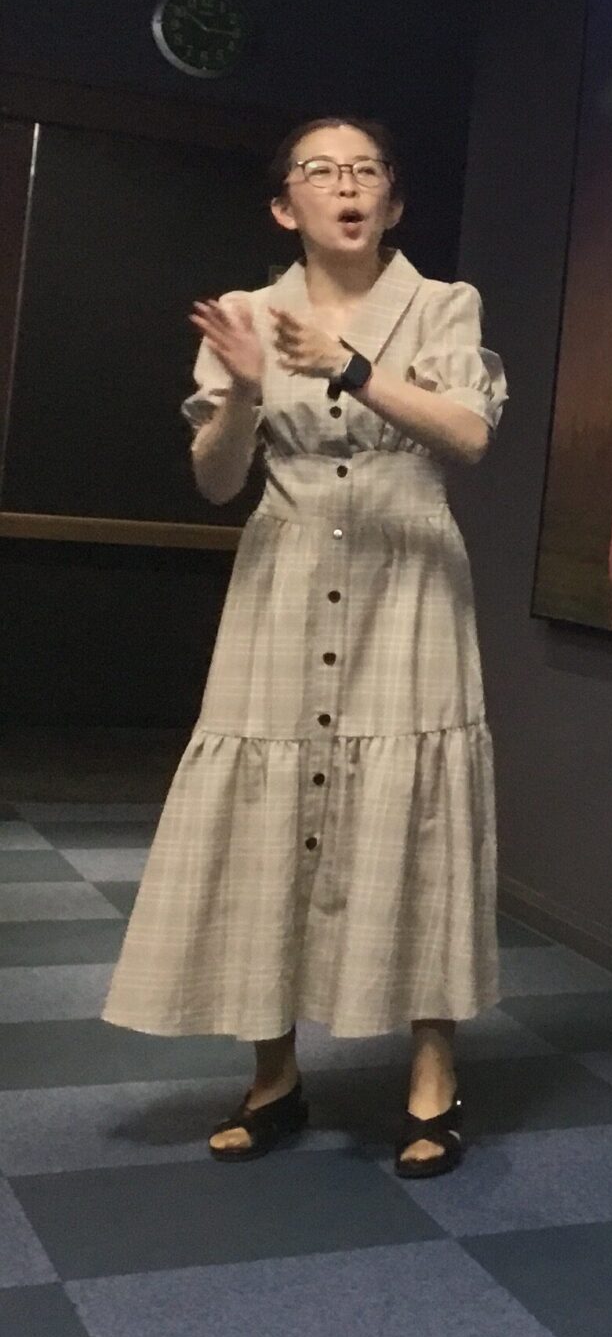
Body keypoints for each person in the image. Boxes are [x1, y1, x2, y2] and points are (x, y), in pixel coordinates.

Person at [102, 118, 506, 1179]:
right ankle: (273, 1077)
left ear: (393, 201)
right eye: (321, 172)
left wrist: (352, 367)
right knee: (266, 814)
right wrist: (242, 386)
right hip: (282, 579)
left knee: (417, 811)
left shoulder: (443, 304)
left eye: (367, 170)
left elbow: (469, 435)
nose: (347, 185)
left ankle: (433, 1078)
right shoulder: (246, 312)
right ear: (286, 206)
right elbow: (216, 481)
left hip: (409, 575)